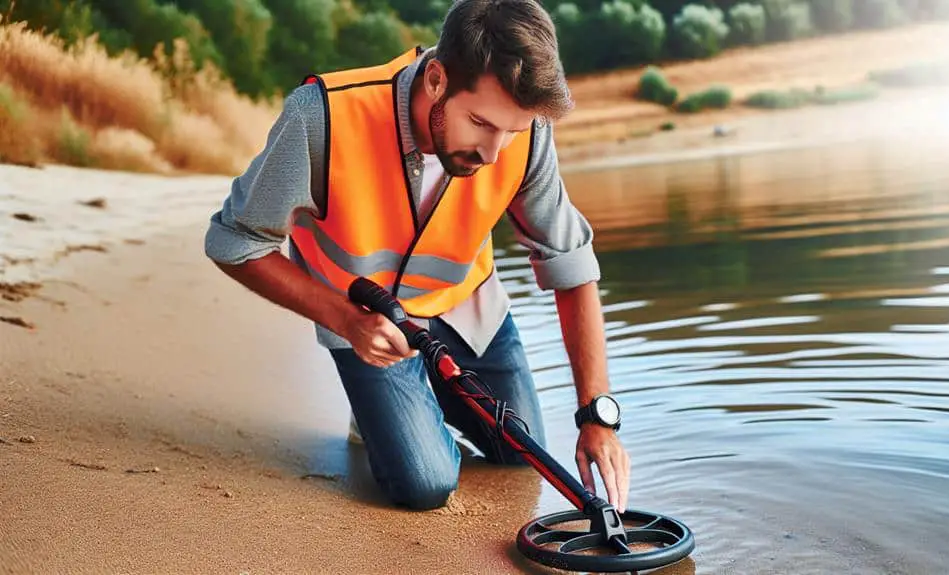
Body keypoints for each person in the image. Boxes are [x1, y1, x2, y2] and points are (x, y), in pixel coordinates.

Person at [203, 0, 630, 513]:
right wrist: (345, 320)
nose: (494, 153)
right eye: (480, 123)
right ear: (435, 79)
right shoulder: (320, 116)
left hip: (468, 311)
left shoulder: (526, 129)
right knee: (426, 484)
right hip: (366, 323)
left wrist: (597, 416)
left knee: (523, 455)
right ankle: (384, 413)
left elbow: (571, 263)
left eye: (510, 133)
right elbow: (235, 241)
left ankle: (410, 407)